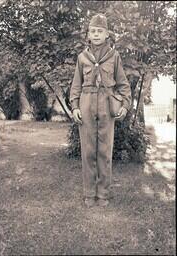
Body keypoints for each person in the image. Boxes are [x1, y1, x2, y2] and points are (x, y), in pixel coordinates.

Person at [70, 13, 131, 207]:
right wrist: (75, 106)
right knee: (88, 151)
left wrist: (125, 105)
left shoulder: (114, 56)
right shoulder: (82, 58)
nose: (96, 34)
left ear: (106, 34)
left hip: (106, 105)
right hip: (87, 105)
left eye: (100, 31)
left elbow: (123, 84)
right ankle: (89, 193)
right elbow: (76, 86)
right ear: (88, 34)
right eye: (93, 31)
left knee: (105, 151)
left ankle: (103, 193)